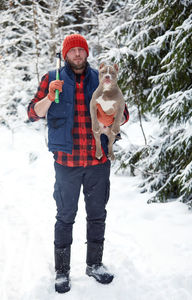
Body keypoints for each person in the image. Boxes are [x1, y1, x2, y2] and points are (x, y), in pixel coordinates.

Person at [27, 34, 129, 293]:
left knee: (97, 214)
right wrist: (50, 97)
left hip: (98, 161)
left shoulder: (101, 78)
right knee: (65, 216)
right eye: (71, 51)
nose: (77, 55)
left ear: (86, 53)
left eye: (81, 50)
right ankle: (62, 271)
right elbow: (33, 113)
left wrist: (110, 117)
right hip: (67, 163)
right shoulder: (52, 78)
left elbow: (124, 114)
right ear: (65, 55)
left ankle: (94, 264)